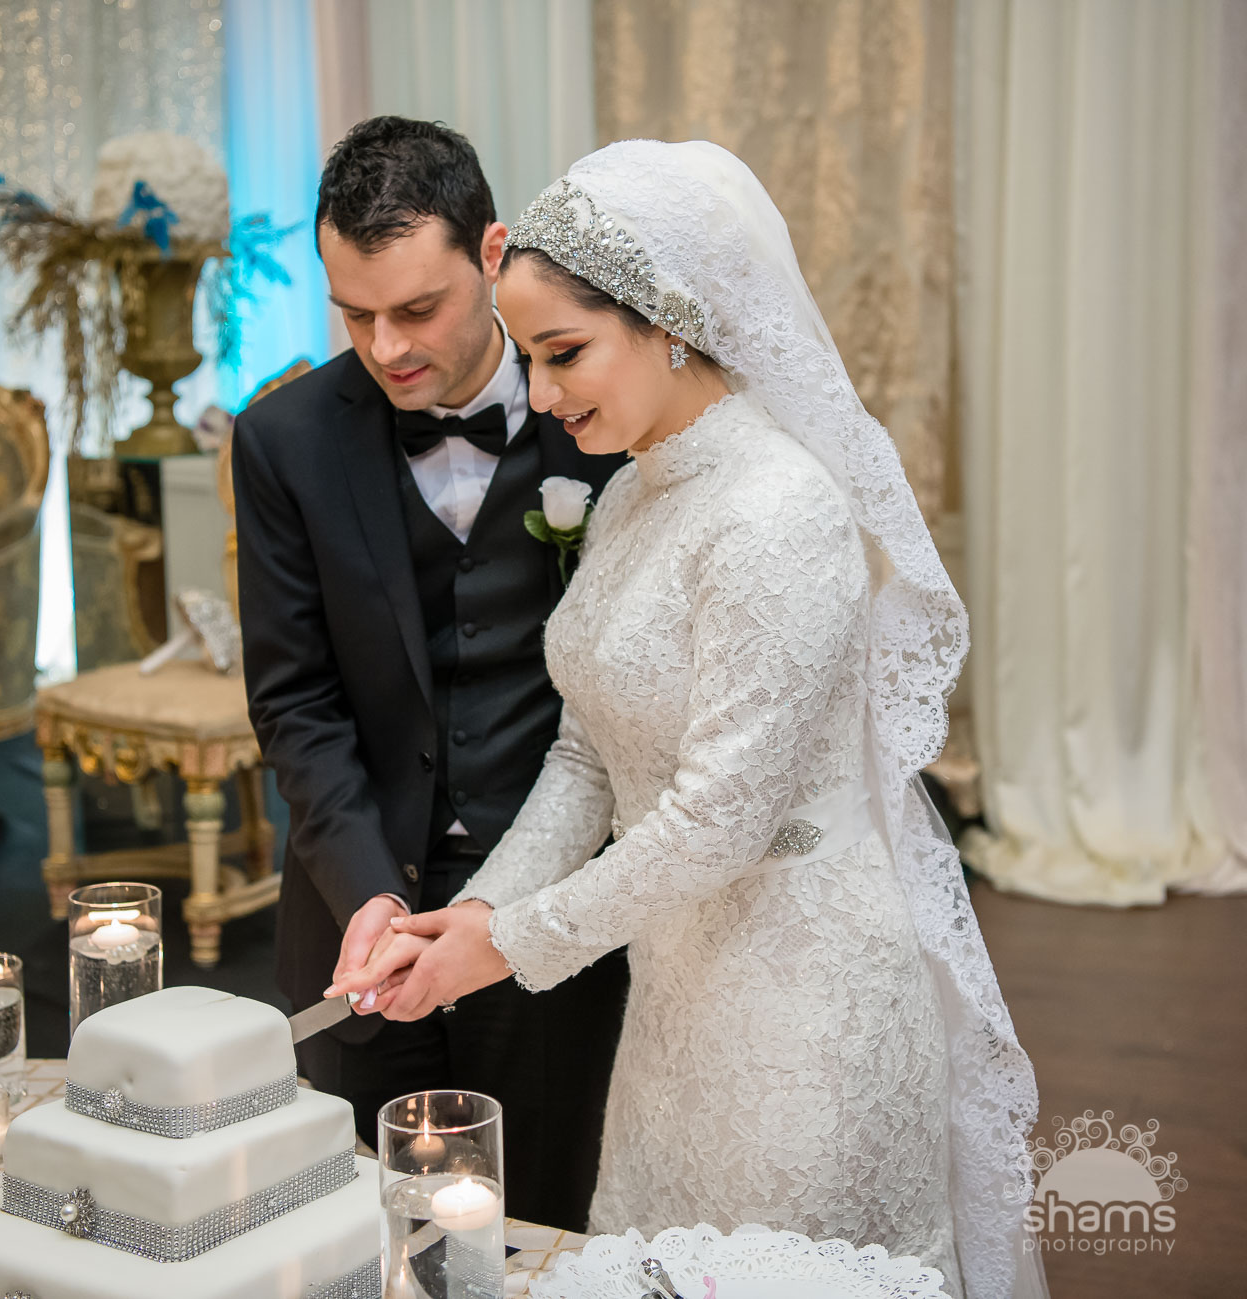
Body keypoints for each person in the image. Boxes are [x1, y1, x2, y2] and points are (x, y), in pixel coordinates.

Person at [332, 141, 1048, 1299]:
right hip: (676, 987)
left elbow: (719, 817)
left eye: (565, 353)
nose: (543, 396)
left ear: (668, 322)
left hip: (801, 1004)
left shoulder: (780, 510)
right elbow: (585, 755)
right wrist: (472, 913)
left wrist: (506, 947)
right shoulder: (629, 494)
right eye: (529, 357)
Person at [230, 116, 629, 1232]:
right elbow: (295, 703)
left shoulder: (606, 422)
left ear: (492, 253)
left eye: (417, 309)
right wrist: (368, 894)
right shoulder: (283, 441)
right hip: (358, 919)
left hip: (552, 918)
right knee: (369, 1232)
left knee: (541, 1223)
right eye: (354, 314)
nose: (386, 346)